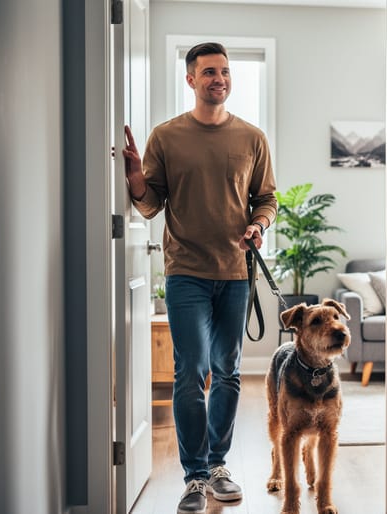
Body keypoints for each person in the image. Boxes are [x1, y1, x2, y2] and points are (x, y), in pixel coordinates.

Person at [122, 42, 277, 514]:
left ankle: (217, 465)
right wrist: (134, 179)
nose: (219, 79)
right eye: (209, 72)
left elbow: (267, 199)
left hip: (234, 273)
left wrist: (259, 225)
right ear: (191, 79)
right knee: (191, 371)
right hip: (185, 271)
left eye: (225, 72)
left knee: (228, 372)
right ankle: (193, 476)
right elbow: (151, 204)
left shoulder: (252, 138)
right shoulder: (166, 137)